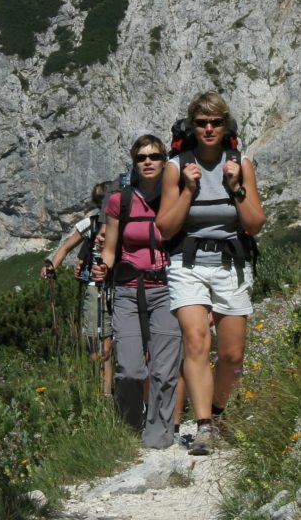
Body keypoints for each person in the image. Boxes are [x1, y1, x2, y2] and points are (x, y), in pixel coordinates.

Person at [156, 91, 265, 456]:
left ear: (225, 126)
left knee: (233, 356)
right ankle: (203, 426)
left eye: (215, 122)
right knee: (196, 338)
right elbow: (166, 228)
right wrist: (189, 189)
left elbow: (256, 223)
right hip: (187, 265)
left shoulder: (241, 163)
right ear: (192, 126)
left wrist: (235, 188)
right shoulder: (176, 167)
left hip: (231, 263)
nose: (208, 128)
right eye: (201, 123)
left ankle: (217, 413)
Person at [92, 134, 182, 449]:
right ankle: (130, 428)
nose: (148, 161)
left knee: (164, 370)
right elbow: (111, 248)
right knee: (130, 369)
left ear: (165, 161)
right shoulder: (121, 200)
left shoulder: (176, 197)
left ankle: (158, 439)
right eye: (142, 157)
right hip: (128, 289)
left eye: (155, 156)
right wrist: (102, 266)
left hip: (168, 288)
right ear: (134, 162)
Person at [40, 183, 113, 378]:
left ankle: (104, 391)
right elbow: (65, 247)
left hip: (114, 285)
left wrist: (53, 266)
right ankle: (103, 391)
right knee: (100, 340)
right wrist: (52, 265)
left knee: (103, 340)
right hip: (97, 285)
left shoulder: (117, 223)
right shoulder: (91, 224)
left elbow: (66, 248)